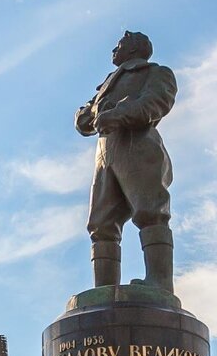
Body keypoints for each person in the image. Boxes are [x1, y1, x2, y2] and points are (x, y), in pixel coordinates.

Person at [76, 31, 177, 292]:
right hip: (106, 155)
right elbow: (84, 121)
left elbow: (156, 103)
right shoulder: (108, 83)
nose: (114, 49)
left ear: (132, 49)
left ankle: (160, 282)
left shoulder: (154, 73)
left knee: (151, 212)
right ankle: (104, 290)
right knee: (101, 225)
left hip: (139, 150)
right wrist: (90, 113)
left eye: (119, 45)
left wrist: (120, 113)